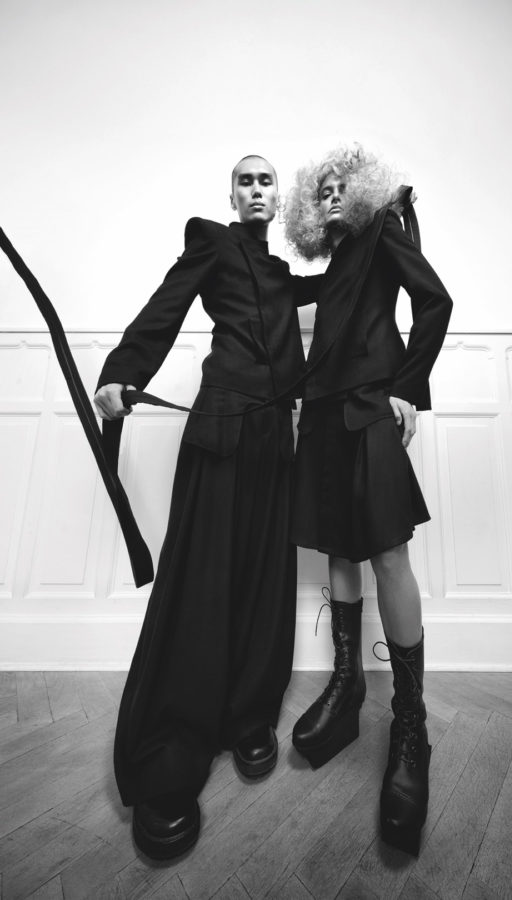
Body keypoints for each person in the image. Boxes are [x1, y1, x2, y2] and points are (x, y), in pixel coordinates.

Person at [93, 155, 320, 860]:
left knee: (263, 579)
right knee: (199, 583)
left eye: (266, 181)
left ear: (279, 198)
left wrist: (386, 227)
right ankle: (170, 753)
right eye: (245, 180)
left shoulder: (285, 279)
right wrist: (123, 372)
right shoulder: (211, 241)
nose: (256, 189)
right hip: (221, 423)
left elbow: (352, 280)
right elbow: (167, 305)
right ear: (232, 194)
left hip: (275, 437)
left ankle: (248, 716)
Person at [284, 146, 453, 856]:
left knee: (388, 554)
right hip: (322, 417)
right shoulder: (331, 267)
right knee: (338, 550)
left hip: (369, 408)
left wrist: (407, 388)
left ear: (359, 191)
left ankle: (410, 724)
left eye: (339, 186)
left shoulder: (384, 226)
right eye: (319, 190)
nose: (330, 196)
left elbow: (435, 301)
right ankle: (348, 686)